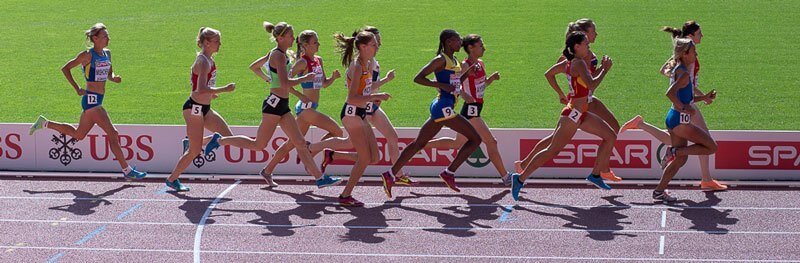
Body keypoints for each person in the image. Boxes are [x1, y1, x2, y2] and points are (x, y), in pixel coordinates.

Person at [30, 23, 147, 180]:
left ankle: (45, 123)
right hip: (91, 100)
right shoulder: (87, 55)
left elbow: (108, 74)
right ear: (95, 38)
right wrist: (77, 87)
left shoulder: (107, 54)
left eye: (108, 35)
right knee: (113, 133)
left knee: (79, 134)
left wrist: (114, 78)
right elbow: (65, 68)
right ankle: (127, 170)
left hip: (98, 99)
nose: (108, 38)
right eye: (105, 36)